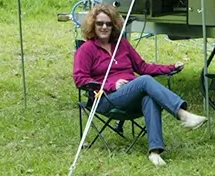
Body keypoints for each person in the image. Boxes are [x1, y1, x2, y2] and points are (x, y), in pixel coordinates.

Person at [73, 3, 207, 167]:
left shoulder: (122, 44)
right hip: (105, 98)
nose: (104, 27)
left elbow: (142, 67)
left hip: (130, 96)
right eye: (100, 23)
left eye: (108, 23)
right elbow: (80, 79)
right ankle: (182, 114)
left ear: (114, 25)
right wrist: (111, 85)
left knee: (149, 97)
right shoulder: (87, 49)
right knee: (144, 81)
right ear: (93, 25)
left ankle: (155, 152)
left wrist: (170, 67)